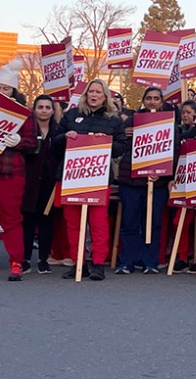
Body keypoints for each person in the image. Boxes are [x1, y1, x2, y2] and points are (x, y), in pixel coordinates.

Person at [52, 79, 126, 281]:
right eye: (91, 92)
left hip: (98, 179)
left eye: (98, 93)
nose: (94, 95)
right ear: (86, 94)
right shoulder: (72, 115)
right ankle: (79, 263)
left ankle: (99, 263)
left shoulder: (114, 119)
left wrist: (104, 141)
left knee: (98, 223)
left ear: (105, 97)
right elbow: (55, 143)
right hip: (72, 178)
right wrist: (66, 136)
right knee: (73, 223)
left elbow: (121, 146)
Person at [0, 61, 37, 281]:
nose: (3, 91)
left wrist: (18, 142)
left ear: (14, 90)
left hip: (10, 174)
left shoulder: (24, 114)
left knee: (11, 220)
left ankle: (16, 262)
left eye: (7, 88)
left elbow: (32, 144)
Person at [115, 87, 176, 275]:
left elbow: (174, 150)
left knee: (153, 223)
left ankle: (150, 261)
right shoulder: (133, 120)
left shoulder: (169, 122)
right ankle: (127, 261)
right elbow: (119, 146)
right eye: (148, 98)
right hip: (132, 182)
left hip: (155, 184)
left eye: (156, 98)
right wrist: (127, 135)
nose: (152, 102)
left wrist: (164, 173)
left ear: (162, 101)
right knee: (129, 222)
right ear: (143, 100)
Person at [22, 95, 60, 275]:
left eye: (47, 107)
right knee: (27, 221)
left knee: (47, 222)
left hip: (50, 183)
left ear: (53, 111)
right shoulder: (26, 130)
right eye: (40, 107)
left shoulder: (59, 132)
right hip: (28, 182)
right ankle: (25, 259)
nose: (44, 110)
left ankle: (43, 259)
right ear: (34, 109)